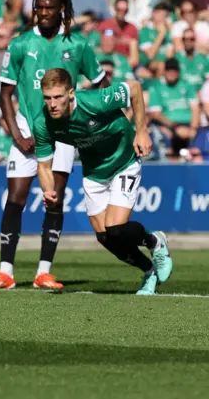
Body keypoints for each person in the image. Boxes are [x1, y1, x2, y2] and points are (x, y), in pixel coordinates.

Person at [0, 0, 108, 291]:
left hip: (63, 134)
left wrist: (89, 118)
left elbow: (102, 83)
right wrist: (15, 134)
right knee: (15, 200)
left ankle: (43, 272)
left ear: (62, 9)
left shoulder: (78, 45)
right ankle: (5, 272)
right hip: (26, 130)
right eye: (40, 7)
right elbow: (5, 95)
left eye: (50, 7)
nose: (44, 12)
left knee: (55, 201)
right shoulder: (21, 43)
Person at [33, 68, 172, 295]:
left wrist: (142, 131)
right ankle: (149, 271)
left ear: (71, 93)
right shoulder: (43, 123)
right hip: (94, 173)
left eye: (57, 97)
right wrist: (48, 190)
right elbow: (44, 166)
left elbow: (135, 89)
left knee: (115, 227)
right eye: (47, 98)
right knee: (105, 238)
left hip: (124, 162)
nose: (52, 104)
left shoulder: (95, 101)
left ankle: (155, 242)